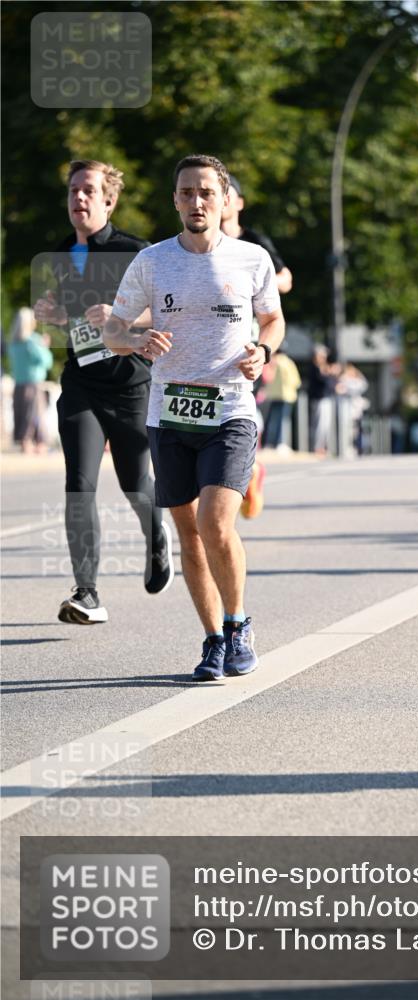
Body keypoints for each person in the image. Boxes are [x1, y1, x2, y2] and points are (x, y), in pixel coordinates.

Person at [103, 154, 285, 681]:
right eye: (186, 192)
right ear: (175, 199)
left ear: (225, 198)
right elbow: (113, 330)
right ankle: (211, 640)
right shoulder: (153, 261)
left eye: (206, 192)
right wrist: (135, 338)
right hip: (169, 412)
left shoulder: (251, 259)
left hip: (230, 408)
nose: (196, 201)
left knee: (214, 522)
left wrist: (264, 351)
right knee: (187, 531)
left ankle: (237, 623)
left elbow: (272, 319)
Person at [33, 159, 174, 624]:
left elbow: (168, 311)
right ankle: (87, 593)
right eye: (74, 190)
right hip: (81, 384)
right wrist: (53, 313)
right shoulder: (59, 253)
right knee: (79, 484)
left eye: (89, 191)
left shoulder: (138, 252)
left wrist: (124, 315)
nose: (80, 198)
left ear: (109, 201)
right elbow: (68, 317)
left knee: (136, 484)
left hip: (130, 384)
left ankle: (156, 537)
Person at [221, 174, 293, 514]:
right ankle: (245, 469)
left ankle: (247, 468)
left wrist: (254, 281)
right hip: (214, 340)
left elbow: (286, 279)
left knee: (244, 406)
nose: (219, 201)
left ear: (239, 203)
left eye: (227, 194)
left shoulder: (255, 243)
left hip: (251, 341)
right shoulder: (199, 244)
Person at [8, 307, 53, 453]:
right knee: (35, 415)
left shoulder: (13, 343)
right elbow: (46, 361)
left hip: (18, 384)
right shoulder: (33, 341)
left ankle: (24, 442)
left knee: (22, 413)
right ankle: (38, 444)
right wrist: (45, 346)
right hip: (33, 384)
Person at [263, 348, 302, 449]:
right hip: (286, 395)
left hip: (273, 395)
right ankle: (279, 443)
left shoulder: (271, 362)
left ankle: (269, 442)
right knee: (282, 421)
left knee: (272, 420)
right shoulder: (288, 363)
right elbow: (296, 381)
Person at [308, 344, 337, 455]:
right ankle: (317, 447)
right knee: (319, 425)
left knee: (325, 425)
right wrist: (329, 373)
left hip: (326, 398)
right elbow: (323, 381)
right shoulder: (315, 368)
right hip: (319, 399)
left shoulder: (323, 367)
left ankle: (323, 447)